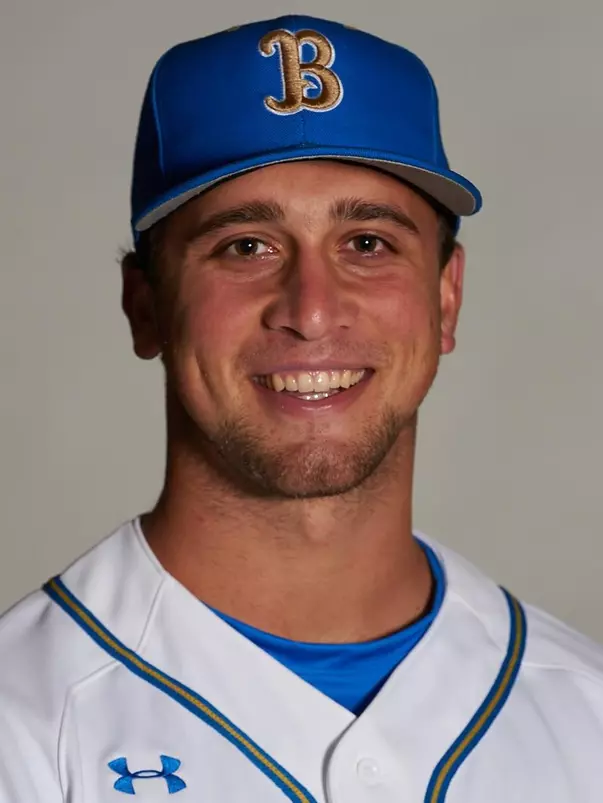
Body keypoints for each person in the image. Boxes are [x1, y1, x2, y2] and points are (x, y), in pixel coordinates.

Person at [1, 13, 602, 803]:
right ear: (144, 306)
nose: (312, 311)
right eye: (245, 245)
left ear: (446, 296)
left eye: (367, 244)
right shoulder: (22, 718)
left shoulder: (584, 715)